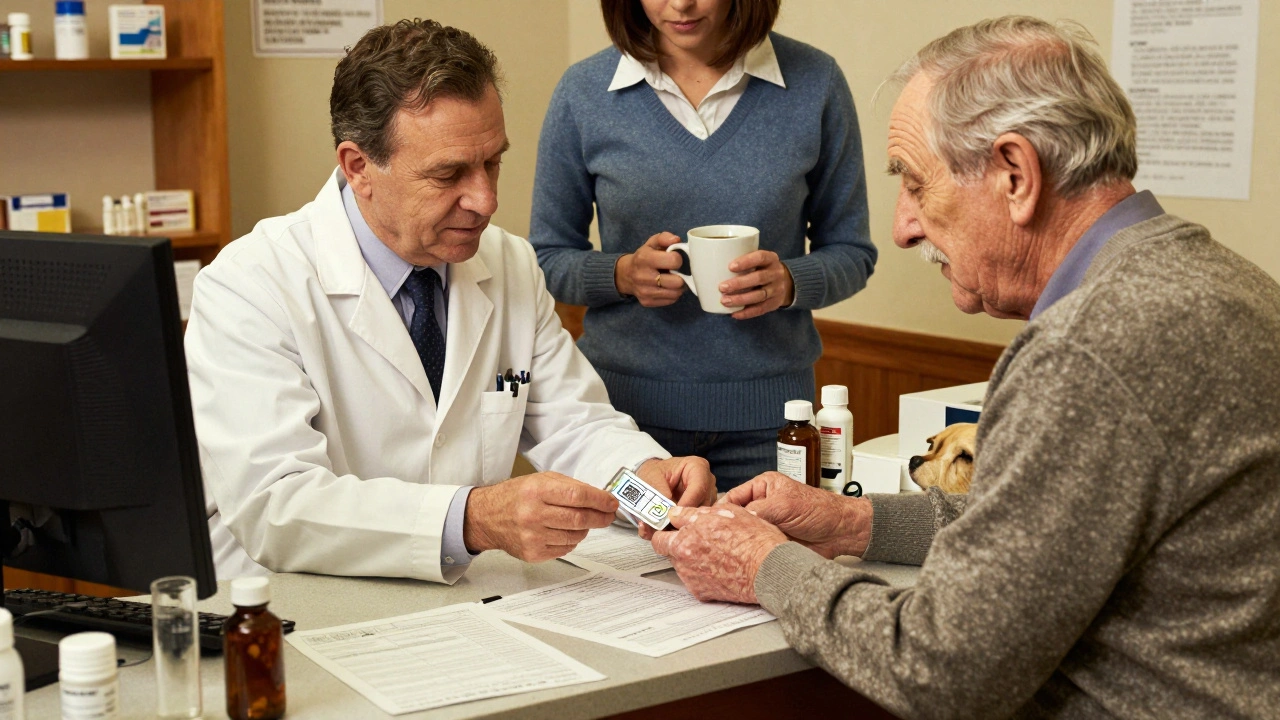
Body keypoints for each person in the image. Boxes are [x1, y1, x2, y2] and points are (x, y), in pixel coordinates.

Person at [650, 16, 1280, 718]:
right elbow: (1043, 536)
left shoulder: (1088, 350)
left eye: (916, 185)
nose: (903, 227)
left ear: (1016, 175)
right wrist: (852, 521)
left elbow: (940, 668)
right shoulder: (1227, 285)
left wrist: (762, 565)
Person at [184, 19, 715, 584]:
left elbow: (574, 425)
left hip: (457, 605)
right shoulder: (251, 285)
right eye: (449, 174)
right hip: (293, 607)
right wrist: (473, 519)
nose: (485, 200)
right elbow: (277, 507)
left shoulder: (507, 264)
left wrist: (645, 477)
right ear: (358, 167)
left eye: (492, 163)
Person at [529, 0, 876, 491]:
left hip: (773, 424)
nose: (680, 4)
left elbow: (852, 252)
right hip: (619, 422)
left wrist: (790, 282)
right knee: (614, 568)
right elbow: (544, 258)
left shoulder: (815, 82)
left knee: (769, 566)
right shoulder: (584, 92)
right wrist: (621, 275)